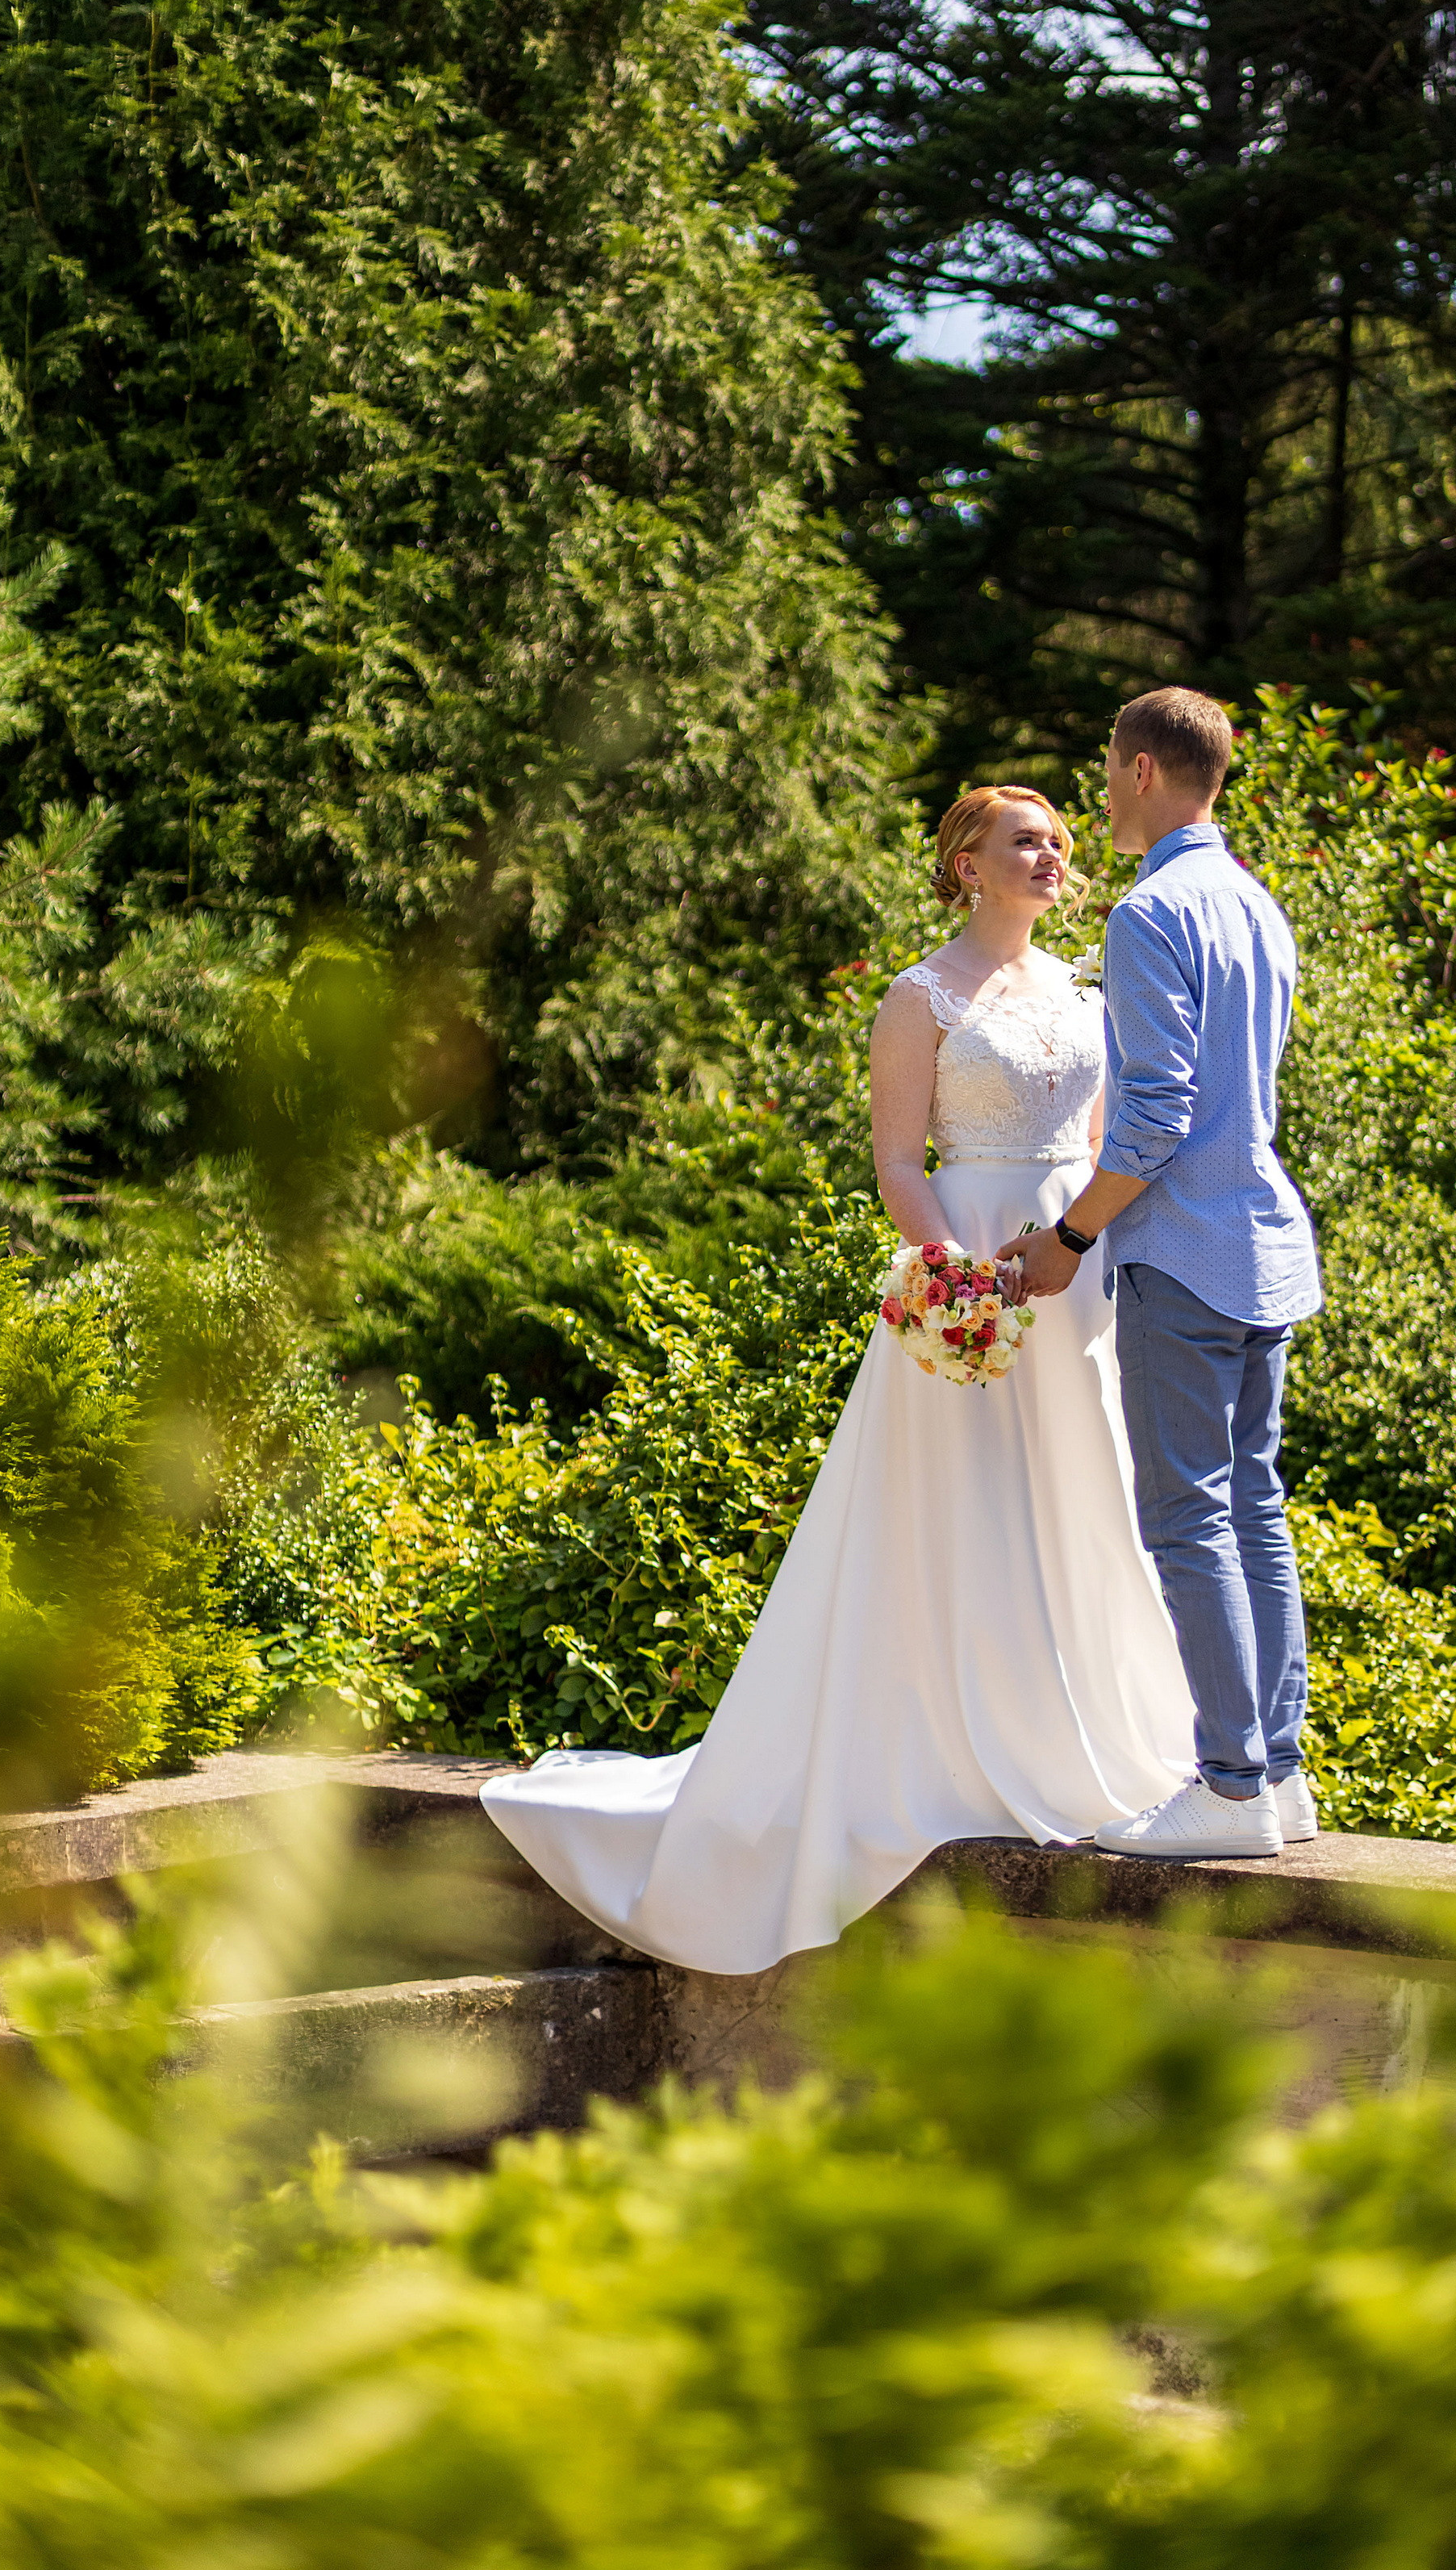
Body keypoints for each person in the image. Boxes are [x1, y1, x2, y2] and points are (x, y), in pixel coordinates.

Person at [476, 779, 1200, 1973]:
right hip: (970, 1268)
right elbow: (898, 1160)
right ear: (966, 862)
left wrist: (1074, 1256)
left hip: (1075, 1270)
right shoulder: (919, 998)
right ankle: (947, 1742)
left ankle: (1088, 1741)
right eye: (1028, 840)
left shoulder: (1086, 987)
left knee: (1088, 1500)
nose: (1054, 854)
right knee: (958, 1509)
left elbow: (1107, 1138)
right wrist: (961, 1279)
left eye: (1062, 840)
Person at [1000, 687, 1322, 1862]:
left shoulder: (1149, 915)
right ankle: (1278, 1777)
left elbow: (1152, 1119)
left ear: (1141, 771)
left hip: (1184, 1256)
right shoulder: (1256, 904)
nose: (1099, 791)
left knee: (1190, 1518)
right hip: (1267, 1245)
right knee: (1255, 1509)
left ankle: (1232, 1786)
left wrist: (1070, 1239)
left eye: (1104, 769)